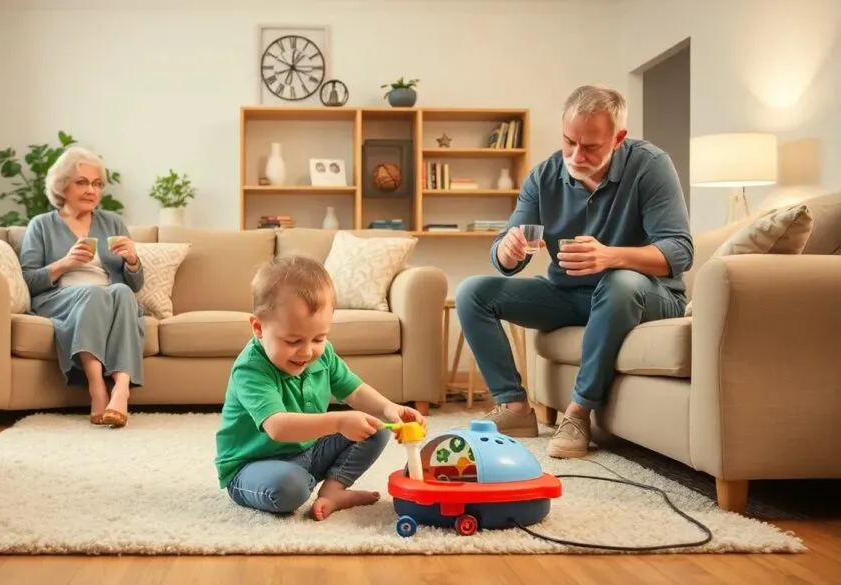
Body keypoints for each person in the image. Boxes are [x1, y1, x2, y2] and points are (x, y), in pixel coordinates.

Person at [455, 85, 693, 459]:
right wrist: (508, 249)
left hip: (644, 294)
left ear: (618, 138)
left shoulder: (650, 165)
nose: (576, 155)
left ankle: (578, 413)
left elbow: (680, 250)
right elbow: (506, 252)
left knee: (618, 282)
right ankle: (514, 408)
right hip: (568, 295)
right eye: (569, 142)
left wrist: (611, 256)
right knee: (473, 292)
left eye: (591, 147)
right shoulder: (544, 176)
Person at [214, 255, 426, 520]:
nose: (306, 351)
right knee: (289, 489)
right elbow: (278, 426)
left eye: (319, 338)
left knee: (374, 428)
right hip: (253, 465)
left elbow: (355, 391)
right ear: (258, 327)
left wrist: (389, 407)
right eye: (293, 340)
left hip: (308, 451)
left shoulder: (321, 355)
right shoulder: (251, 368)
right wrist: (338, 422)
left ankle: (334, 491)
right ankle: (298, 482)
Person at [19, 146, 146, 428]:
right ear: (62, 186)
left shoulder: (112, 222)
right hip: (62, 297)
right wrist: (64, 263)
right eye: (82, 182)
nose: (91, 190)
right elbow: (28, 280)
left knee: (123, 292)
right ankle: (97, 389)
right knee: (93, 293)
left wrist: (133, 261)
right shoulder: (41, 225)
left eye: (97, 184)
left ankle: (121, 392)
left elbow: (135, 285)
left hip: (111, 295)